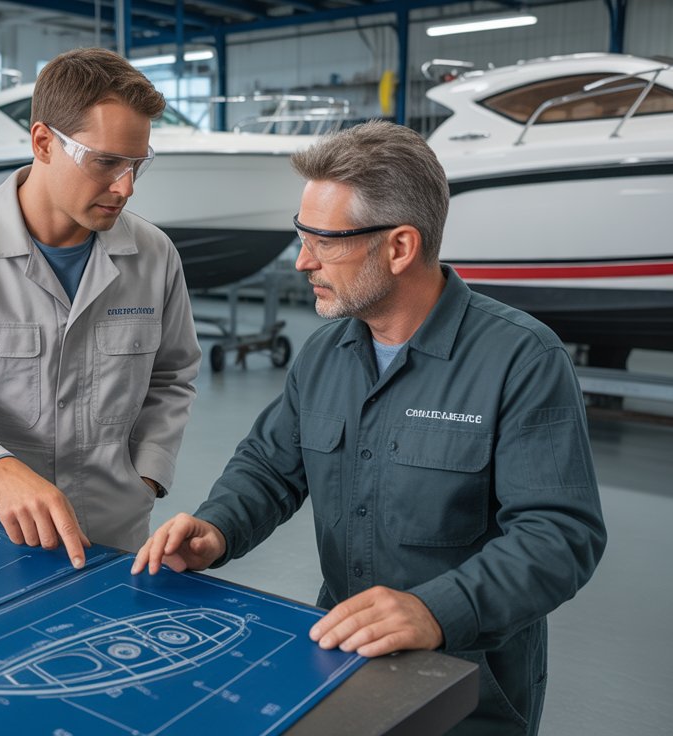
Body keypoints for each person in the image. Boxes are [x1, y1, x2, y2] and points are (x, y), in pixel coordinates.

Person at [132, 120, 606, 735]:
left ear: (400, 247)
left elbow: (560, 535)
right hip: (342, 660)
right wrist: (218, 526)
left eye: (324, 242)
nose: (303, 261)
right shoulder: (326, 353)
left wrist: (437, 611)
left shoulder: (521, 359)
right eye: (301, 237)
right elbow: (271, 465)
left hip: (470, 687)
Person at [0, 48, 201, 567]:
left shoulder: (154, 255)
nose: (125, 187)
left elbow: (172, 376)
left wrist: (147, 473)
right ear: (44, 142)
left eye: (137, 164)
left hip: (117, 532)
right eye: (107, 162)